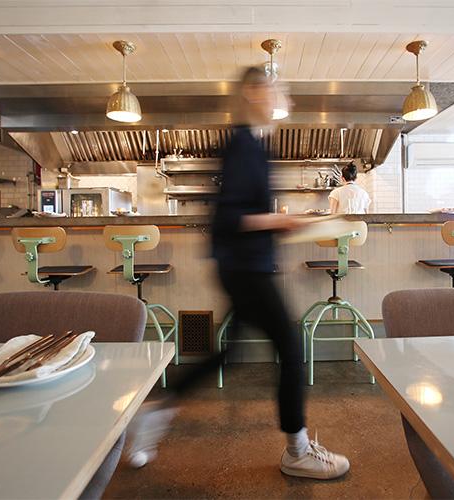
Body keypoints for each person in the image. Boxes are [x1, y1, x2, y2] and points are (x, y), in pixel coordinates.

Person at [125, 66, 350, 480]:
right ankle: (297, 450)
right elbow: (231, 218)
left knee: (226, 352)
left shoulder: (253, 145)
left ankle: (152, 415)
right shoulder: (244, 145)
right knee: (291, 346)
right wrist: (283, 222)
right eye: (280, 91)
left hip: (245, 266)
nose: (289, 100)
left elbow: (244, 215)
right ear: (254, 91)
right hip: (245, 268)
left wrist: (285, 223)